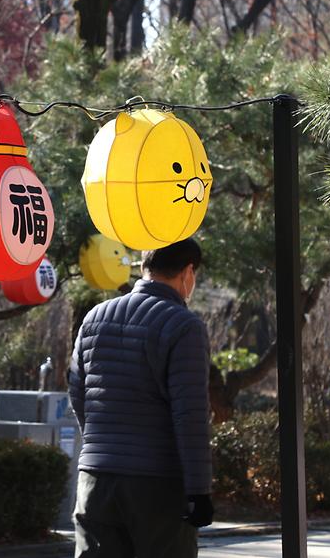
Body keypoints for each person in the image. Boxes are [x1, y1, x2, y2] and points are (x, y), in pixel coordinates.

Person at [68, 238, 213, 558]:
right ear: (188, 272)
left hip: (95, 482)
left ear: (145, 267)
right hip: (157, 486)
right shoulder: (184, 325)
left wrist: (100, 444)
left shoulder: (94, 317)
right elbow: (190, 415)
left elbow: (77, 392)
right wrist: (199, 490)